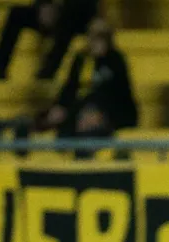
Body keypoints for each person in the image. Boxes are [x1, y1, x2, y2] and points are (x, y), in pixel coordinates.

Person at [16, 18, 137, 158]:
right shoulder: (81, 59)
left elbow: (118, 95)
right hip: (77, 107)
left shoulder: (116, 61)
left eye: (101, 37)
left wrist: (96, 111)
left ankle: (79, 149)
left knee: (88, 121)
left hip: (109, 112)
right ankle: (25, 142)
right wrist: (60, 106)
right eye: (93, 36)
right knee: (53, 116)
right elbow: (70, 87)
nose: (96, 42)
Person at [0, 0, 102, 80]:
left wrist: (61, 9)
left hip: (78, 17)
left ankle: (48, 73)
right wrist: (43, 5)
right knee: (17, 14)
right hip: (51, 12)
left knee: (68, 20)